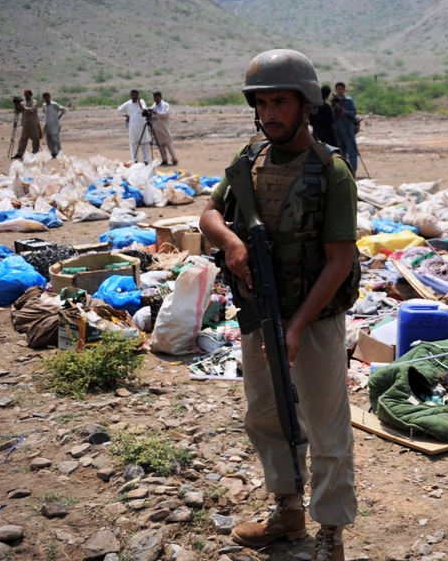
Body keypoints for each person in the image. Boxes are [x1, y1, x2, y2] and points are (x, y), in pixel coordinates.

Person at [198, 49, 358, 561]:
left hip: (314, 318)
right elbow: (207, 213)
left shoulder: (331, 172)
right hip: (258, 312)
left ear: (305, 104)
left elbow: (338, 262)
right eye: (262, 103)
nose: (270, 113)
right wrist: (231, 242)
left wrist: (296, 326)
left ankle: (330, 532)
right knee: (266, 416)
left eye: (280, 102)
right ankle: (287, 511)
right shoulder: (249, 161)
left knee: (325, 425)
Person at [331, 81, 358, 175]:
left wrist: (344, 111)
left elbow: (354, 113)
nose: (339, 91)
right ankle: (344, 172)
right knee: (341, 153)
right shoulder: (335, 101)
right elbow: (332, 115)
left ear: (344, 90)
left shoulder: (349, 100)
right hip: (338, 130)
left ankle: (353, 171)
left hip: (348, 129)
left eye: (341, 89)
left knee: (352, 152)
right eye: (338, 89)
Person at [118, 90, 151, 163]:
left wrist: (139, 103)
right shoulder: (128, 103)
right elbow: (120, 109)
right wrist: (127, 116)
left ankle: (145, 160)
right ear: (130, 95)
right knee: (133, 143)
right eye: (133, 95)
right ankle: (135, 159)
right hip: (133, 126)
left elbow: (144, 109)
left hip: (142, 125)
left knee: (144, 142)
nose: (134, 97)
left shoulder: (141, 101)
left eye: (135, 95)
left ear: (138, 95)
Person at [150, 91, 179, 165]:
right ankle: (164, 159)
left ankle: (174, 158)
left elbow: (166, 114)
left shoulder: (165, 105)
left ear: (160, 97)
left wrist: (157, 113)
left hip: (164, 127)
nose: (155, 99)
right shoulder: (153, 106)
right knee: (160, 145)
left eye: (157, 97)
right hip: (156, 128)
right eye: (154, 97)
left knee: (168, 143)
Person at [13, 88, 42, 159]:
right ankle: (19, 153)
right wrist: (17, 105)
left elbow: (32, 110)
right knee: (23, 138)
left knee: (35, 138)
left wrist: (23, 107)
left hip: (33, 123)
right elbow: (17, 111)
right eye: (25, 95)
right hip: (25, 124)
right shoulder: (23, 102)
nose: (26, 96)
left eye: (27, 95)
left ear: (30, 95)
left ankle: (35, 152)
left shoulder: (34, 102)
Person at [41, 92, 66, 158]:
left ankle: (59, 152)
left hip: (54, 124)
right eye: (45, 97)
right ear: (44, 98)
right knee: (48, 138)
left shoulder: (54, 104)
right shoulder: (44, 105)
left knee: (55, 138)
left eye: (48, 97)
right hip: (47, 123)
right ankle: (53, 152)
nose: (47, 98)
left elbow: (63, 109)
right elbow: (44, 112)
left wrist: (58, 117)